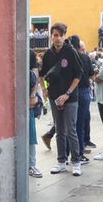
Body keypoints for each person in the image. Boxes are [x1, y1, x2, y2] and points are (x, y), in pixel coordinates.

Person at [39, 22, 83, 176]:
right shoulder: (48, 54)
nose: (58, 38)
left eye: (61, 35)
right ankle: (61, 161)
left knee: (71, 130)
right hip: (53, 96)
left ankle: (76, 162)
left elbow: (78, 75)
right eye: (55, 35)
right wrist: (44, 90)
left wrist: (68, 94)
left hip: (70, 98)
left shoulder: (70, 52)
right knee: (59, 130)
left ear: (65, 36)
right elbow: (41, 73)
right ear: (51, 36)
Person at [70, 36, 94, 159]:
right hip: (83, 91)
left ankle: (67, 152)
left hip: (70, 91)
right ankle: (79, 152)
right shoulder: (85, 58)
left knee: (69, 125)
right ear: (79, 46)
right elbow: (91, 75)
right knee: (80, 124)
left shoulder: (68, 57)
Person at [28, 49, 44, 177]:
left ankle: (31, 165)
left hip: (27, 99)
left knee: (30, 132)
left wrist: (33, 95)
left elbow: (35, 74)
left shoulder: (30, 53)